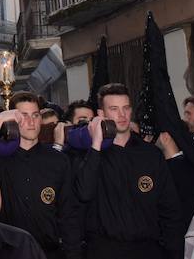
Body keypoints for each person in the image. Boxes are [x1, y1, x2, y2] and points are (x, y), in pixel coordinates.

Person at [73, 83, 182, 259]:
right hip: (104, 250)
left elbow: (170, 208)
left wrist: (174, 251)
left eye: (125, 108)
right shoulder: (90, 155)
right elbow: (84, 193)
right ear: (101, 114)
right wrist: (96, 145)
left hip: (148, 249)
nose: (121, 115)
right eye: (114, 109)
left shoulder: (150, 154)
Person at [0, 93, 82, 259]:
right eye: (23, 116)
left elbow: (68, 214)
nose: (31, 122)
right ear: (12, 120)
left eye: (35, 115)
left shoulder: (58, 161)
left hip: (49, 252)